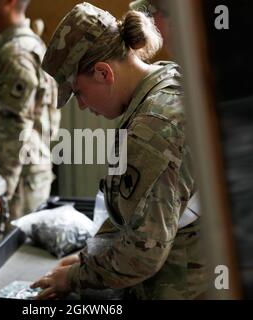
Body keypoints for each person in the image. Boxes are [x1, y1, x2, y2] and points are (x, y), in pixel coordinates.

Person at [31, 3, 208, 300]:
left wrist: (75, 278)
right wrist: (91, 258)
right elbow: (135, 212)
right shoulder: (167, 79)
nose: (83, 105)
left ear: (103, 73)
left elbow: (142, 255)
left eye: (79, 93)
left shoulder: (151, 130)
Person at [0, 0, 60, 221]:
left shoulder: (16, 54)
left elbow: (14, 127)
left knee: (10, 252)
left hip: (16, 182)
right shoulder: (18, 45)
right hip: (22, 177)